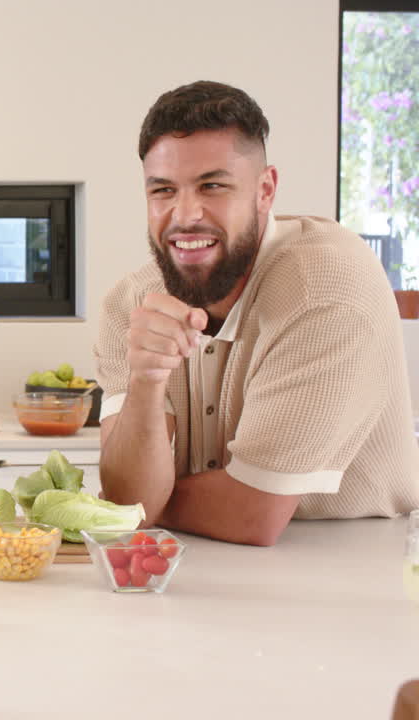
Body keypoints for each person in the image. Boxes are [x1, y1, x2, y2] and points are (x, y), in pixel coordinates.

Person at [94, 80, 419, 547]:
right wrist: (146, 381)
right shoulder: (129, 302)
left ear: (265, 189)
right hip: (193, 561)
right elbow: (128, 499)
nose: (185, 214)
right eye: (163, 190)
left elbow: (252, 515)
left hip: (354, 563)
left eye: (213, 185)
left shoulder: (325, 290)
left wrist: (147, 505)